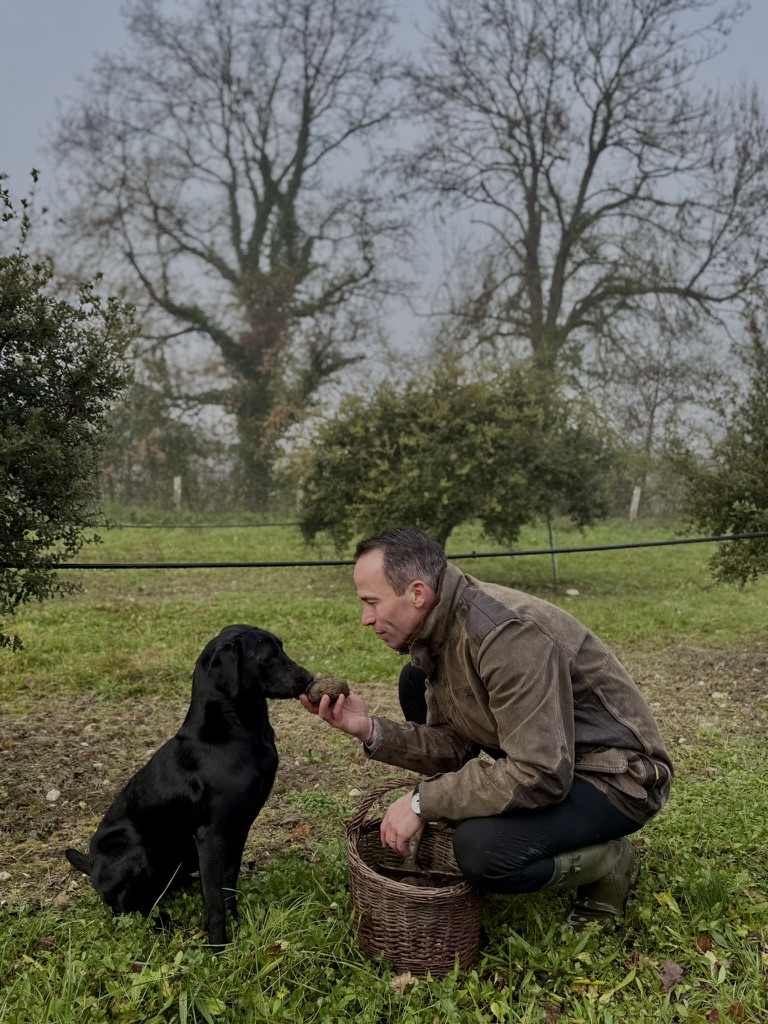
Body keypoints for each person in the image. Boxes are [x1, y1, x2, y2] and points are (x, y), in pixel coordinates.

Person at [299, 526, 673, 928]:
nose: (365, 618)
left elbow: (540, 773)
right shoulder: (439, 632)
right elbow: (453, 746)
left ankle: (610, 862)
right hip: (552, 758)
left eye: (372, 602)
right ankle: (503, 819)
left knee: (482, 850)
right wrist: (367, 728)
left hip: (617, 778)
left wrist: (424, 801)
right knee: (412, 683)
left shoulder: (505, 636)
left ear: (418, 593)